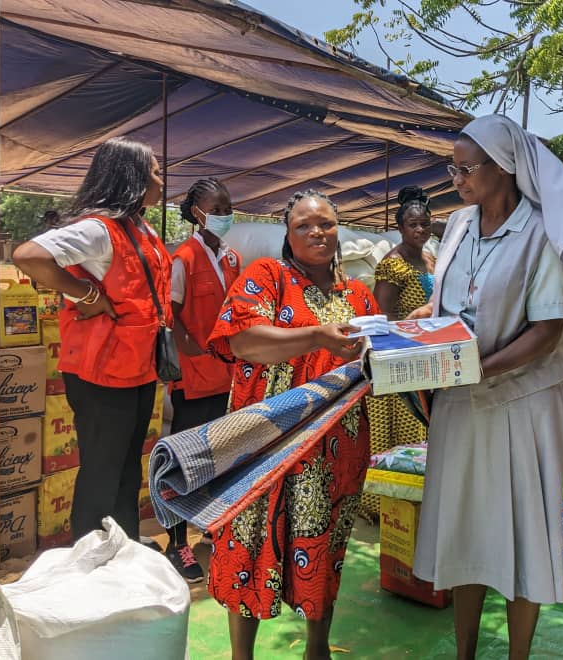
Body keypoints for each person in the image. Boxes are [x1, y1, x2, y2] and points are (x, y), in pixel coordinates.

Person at [409, 114, 563, 659]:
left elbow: (549, 329)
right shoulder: (456, 225)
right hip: (460, 403)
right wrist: (413, 329)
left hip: (521, 404)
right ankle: (464, 653)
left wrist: (484, 366)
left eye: (466, 169)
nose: (456, 179)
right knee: (465, 529)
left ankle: (517, 654)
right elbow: (446, 304)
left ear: (503, 168)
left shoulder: (540, 231)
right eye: (451, 169)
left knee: (524, 530)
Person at [205, 189, 377, 660]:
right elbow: (241, 340)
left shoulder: (358, 295)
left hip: (335, 447)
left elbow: (376, 361)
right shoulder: (268, 277)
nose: (316, 232)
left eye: (325, 223)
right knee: (247, 542)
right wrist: (316, 336)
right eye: (304, 225)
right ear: (288, 233)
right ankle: (243, 656)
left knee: (324, 544)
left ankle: (316, 649)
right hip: (264, 444)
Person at [12, 138, 167, 541]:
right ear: (130, 176)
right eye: (154, 171)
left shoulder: (141, 227)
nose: (161, 179)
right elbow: (29, 255)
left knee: (127, 467)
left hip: (137, 367)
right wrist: (89, 295)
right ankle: (91, 559)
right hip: (103, 373)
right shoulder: (99, 229)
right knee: (102, 471)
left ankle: (124, 548)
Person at [163, 178, 241, 582]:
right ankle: (176, 544)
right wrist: (191, 350)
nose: (226, 215)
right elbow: (171, 314)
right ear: (198, 212)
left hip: (226, 378)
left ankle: (212, 530)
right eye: (219, 208)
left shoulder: (232, 259)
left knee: (220, 460)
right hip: (194, 379)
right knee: (183, 463)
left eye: (229, 208)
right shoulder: (185, 258)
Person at [361, 186, 433, 518]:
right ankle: (384, 505)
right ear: (401, 228)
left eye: (424, 224)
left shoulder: (429, 258)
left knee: (420, 430)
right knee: (397, 431)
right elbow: (382, 316)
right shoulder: (394, 264)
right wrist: (411, 321)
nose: (419, 231)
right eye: (413, 225)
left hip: (423, 356)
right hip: (398, 358)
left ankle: (412, 498)